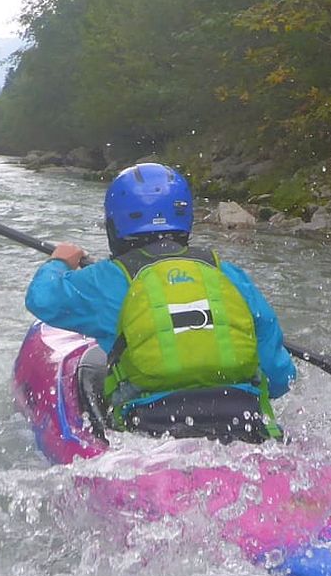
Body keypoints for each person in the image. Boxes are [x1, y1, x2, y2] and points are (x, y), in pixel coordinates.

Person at [25, 162, 296, 442]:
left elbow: (42, 299)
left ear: (113, 225)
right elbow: (279, 377)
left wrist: (59, 261)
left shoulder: (106, 279)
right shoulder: (226, 274)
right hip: (245, 425)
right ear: (185, 219)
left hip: (152, 432)